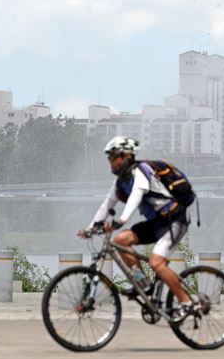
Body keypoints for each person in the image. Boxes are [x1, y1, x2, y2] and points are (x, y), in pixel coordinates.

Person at [78, 136, 192, 321]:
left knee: (156, 263)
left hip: (174, 221)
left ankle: (186, 302)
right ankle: (145, 284)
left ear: (125, 157)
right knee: (121, 240)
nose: (110, 163)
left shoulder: (142, 170)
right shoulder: (121, 181)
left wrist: (121, 221)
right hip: (156, 223)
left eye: (113, 158)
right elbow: (107, 205)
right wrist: (90, 228)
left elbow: (136, 196)